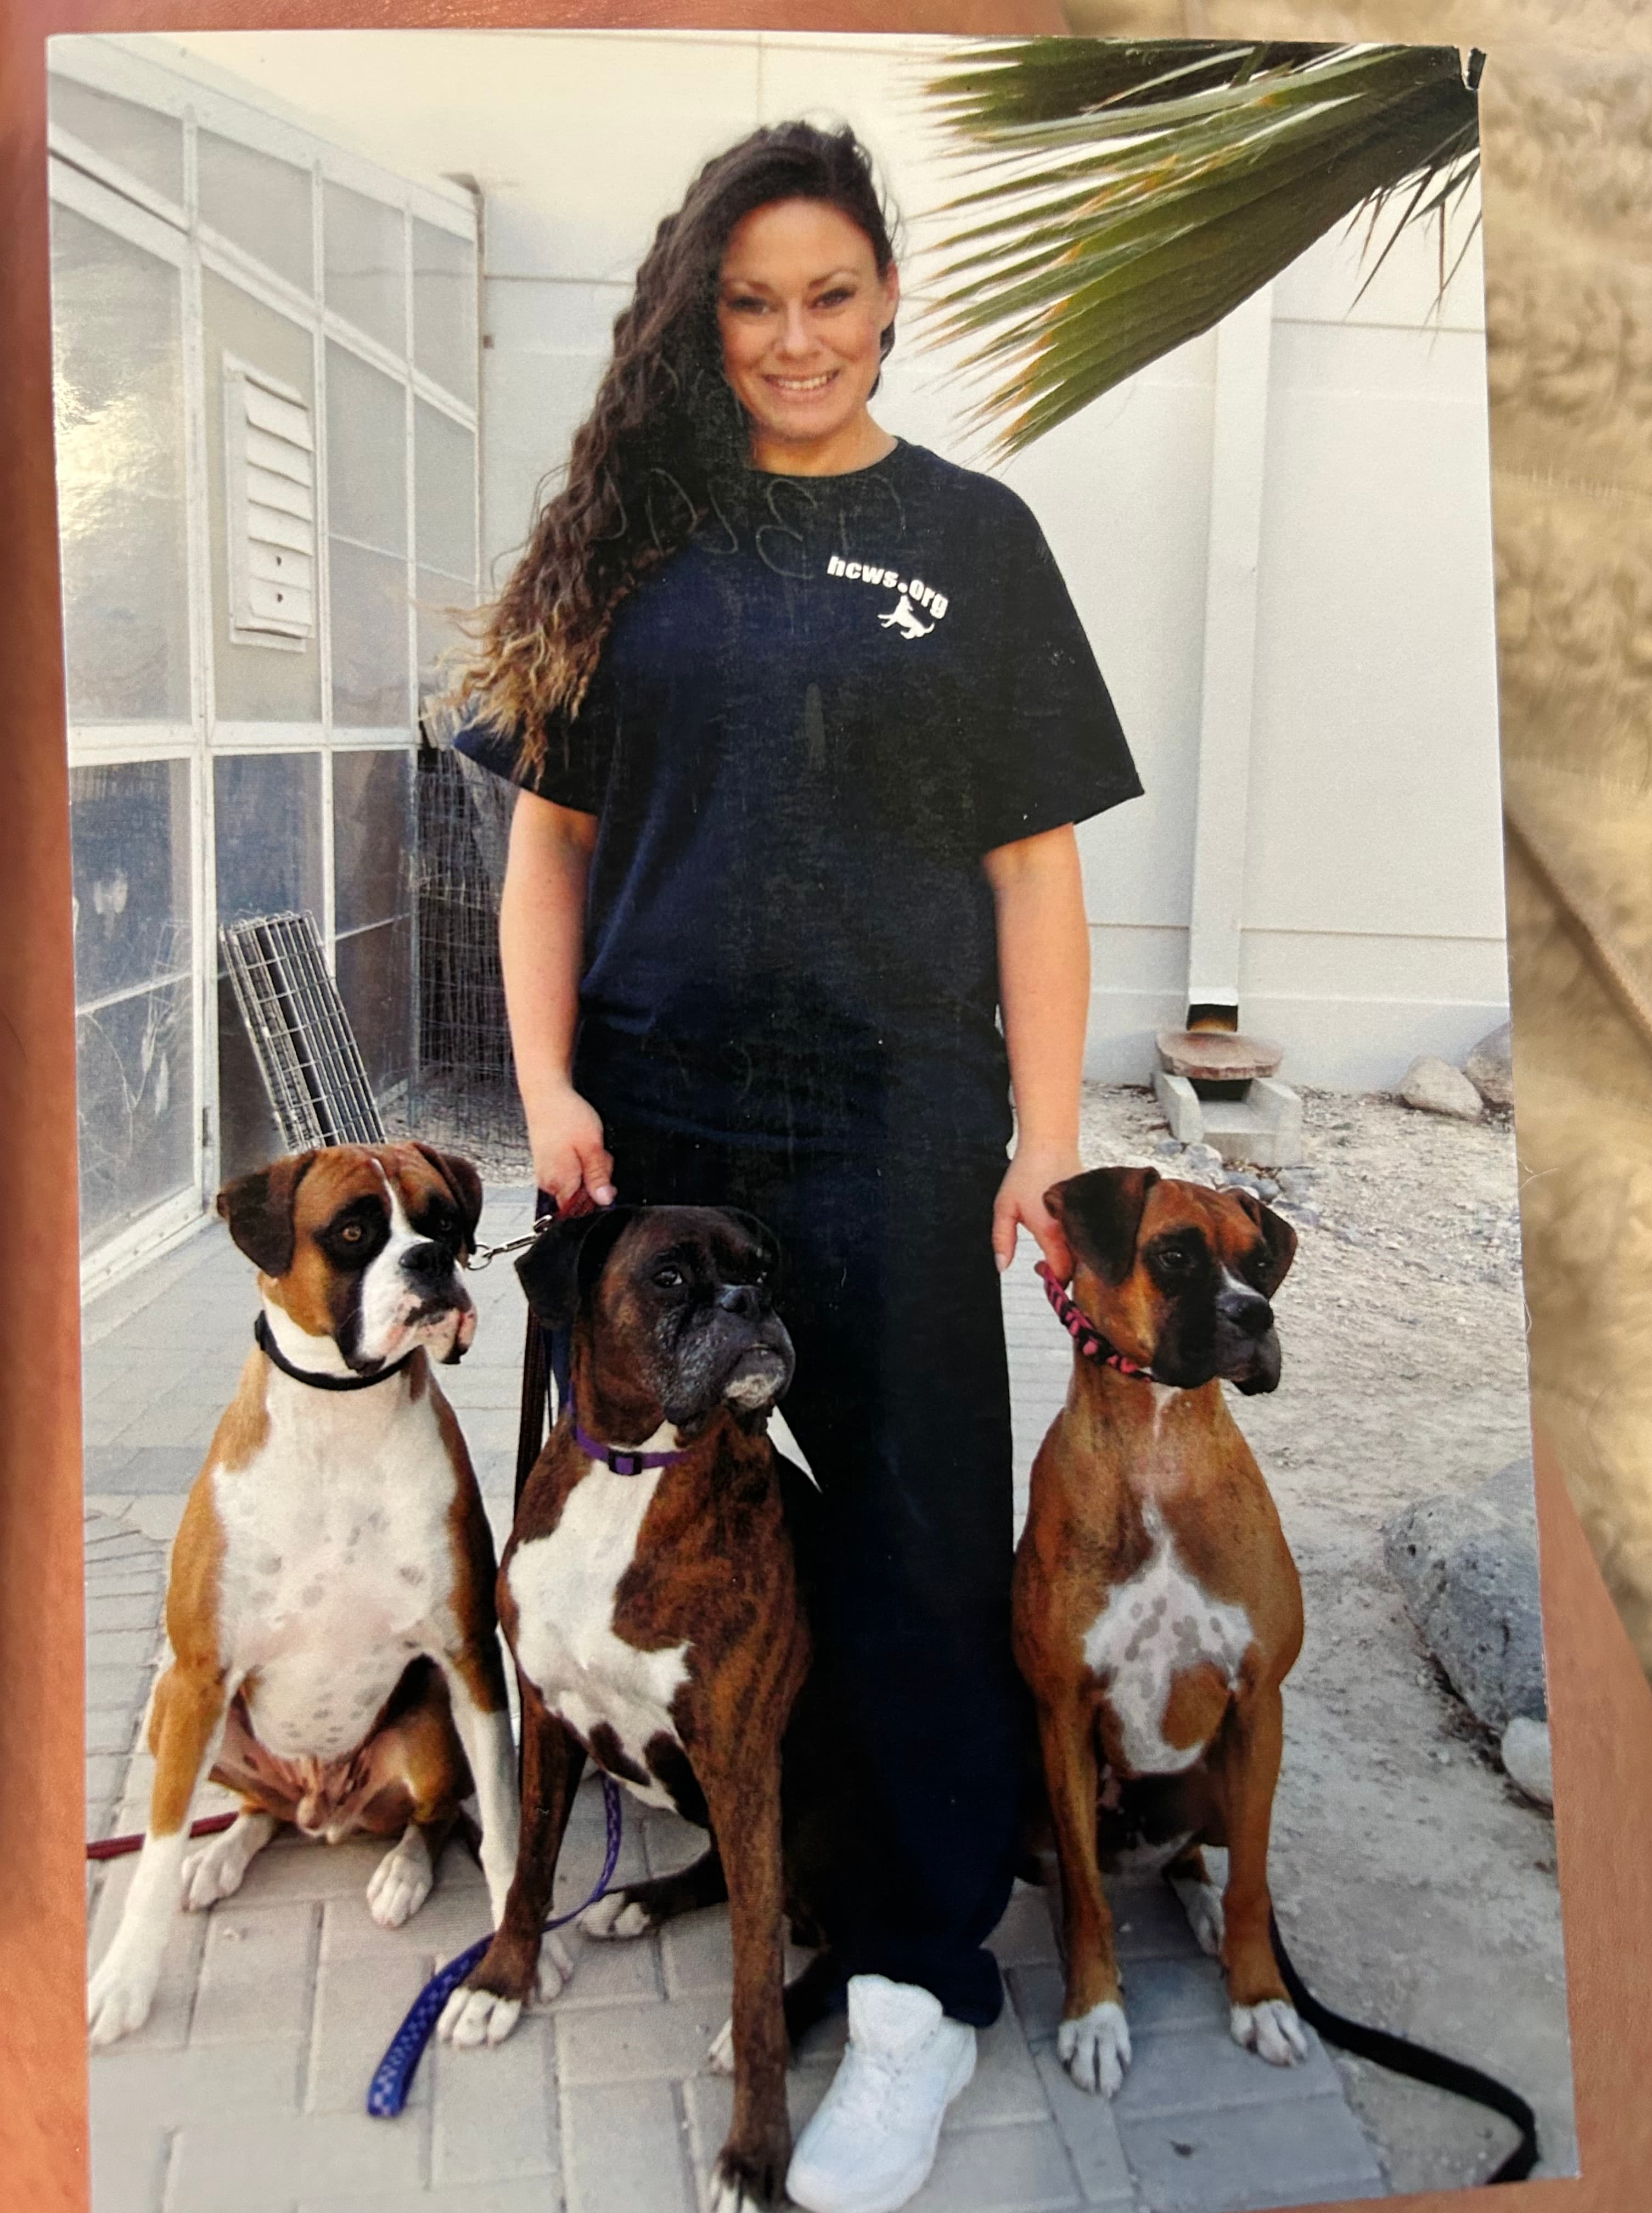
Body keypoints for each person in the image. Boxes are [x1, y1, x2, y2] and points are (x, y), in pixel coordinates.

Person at [452, 120, 1140, 2213]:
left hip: (897, 1112)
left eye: (831, 294)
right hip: (658, 1112)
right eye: (749, 301)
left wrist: (1038, 1143)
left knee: (920, 1528)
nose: (794, 336)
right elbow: (546, 852)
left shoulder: (980, 538)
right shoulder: (624, 546)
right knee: (675, 1515)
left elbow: (1037, 875)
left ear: (890, 301)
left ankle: (920, 1982)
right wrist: (548, 1090)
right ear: (698, 317)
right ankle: (759, 1833)